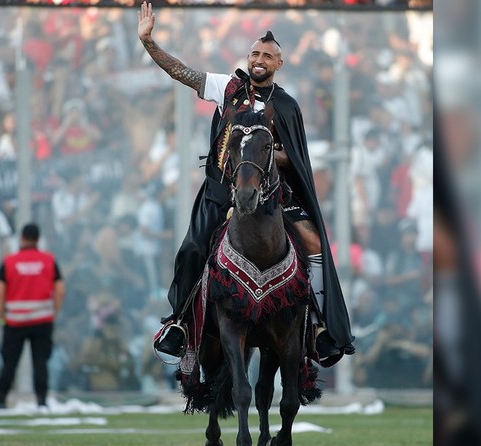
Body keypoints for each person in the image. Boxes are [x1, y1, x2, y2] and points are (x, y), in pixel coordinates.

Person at [137, 1, 354, 364]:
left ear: (278, 64)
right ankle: (180, 325)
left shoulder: (286, 105)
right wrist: (148, 42)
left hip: (274, 193)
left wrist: (265, 155)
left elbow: (294, 159)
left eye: (268, 55)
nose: (259, 59)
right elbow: (181, 72)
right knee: (193, 248)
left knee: (314, 240)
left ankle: (318, 325)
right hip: (224, 191)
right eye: (255, 52)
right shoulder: (227, 87)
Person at [0, 223, 65, 409]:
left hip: (15, 320)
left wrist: (2, 316)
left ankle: (0, 400)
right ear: (38, 240)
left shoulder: (9, 262)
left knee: (10, 362)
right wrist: (53, 311)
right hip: (42, 319)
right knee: (40, 361)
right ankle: (41, 400)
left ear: (22, 239)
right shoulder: (49, 260)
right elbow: (60, 290)